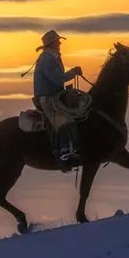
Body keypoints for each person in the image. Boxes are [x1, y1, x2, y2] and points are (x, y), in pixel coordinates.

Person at [31, 29, 83, 168]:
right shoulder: (46, 58)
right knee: (63, 120)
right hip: (47, 98)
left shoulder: (53, 57)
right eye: (57, 41)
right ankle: (64, 152)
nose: (60, 43)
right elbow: (57, 79)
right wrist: (73, 72)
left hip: (54, 96)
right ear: (52, 44)